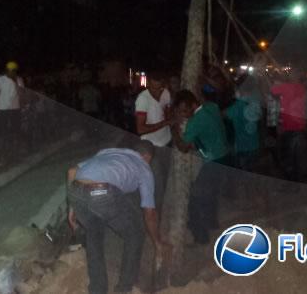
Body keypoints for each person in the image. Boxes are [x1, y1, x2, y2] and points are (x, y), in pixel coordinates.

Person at [66, 140, 168, 294]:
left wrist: (72, 208)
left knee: (94, 234)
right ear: (147, 157)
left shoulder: (107, 153)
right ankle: (124, 289)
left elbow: (71, 172)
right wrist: (157, 242)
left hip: (75, 192)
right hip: (102, 192)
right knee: (135, 234)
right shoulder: (143, 167)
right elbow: (150, 213)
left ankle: (97, 290)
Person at [172, 89, 228, 244]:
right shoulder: (211, 107)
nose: (184, 115)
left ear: (193, 105)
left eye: (185, 110)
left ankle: (200, 236)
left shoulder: (195, 121)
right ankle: (211, 222)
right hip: (223, 156)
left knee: (195, 198)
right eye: (180, 112)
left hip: (213, 161)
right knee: (211, 192)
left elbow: (183, 147)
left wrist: (174, 131)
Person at [134, 73, 172, 210]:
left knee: (166, 177)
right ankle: (156, 211)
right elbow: (140, 129)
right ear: (148, 83)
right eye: (154, 88)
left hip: (166, 142)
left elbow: (167, 112)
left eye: (159, 88)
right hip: (151, 146)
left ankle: (161, 208)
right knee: (157, 183)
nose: (157, 91)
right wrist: (165, 123)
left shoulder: (166, 93)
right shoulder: (142, 99)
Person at [270, 69, 307, 181]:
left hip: (289, 128)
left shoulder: (287, 87)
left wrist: (264, 76)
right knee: (296, 156)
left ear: (295, 76)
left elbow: (271, 90)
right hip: (299, 127)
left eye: (291, 72)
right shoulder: (302, 88)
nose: (289, 73)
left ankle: (291, 184)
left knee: (288, 157)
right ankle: (298, 179)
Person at [0, 61, 24, 164]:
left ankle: (15, 155)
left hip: (15, 109)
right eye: (11, 71)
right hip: (3, 110)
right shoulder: (0, 80)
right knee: (3, 134)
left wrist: (16, 82)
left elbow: (21, 94)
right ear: (7, 70)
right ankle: (2, 157)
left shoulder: (19, 79)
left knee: (15, 133)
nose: (13, 72)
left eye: (15, 71)